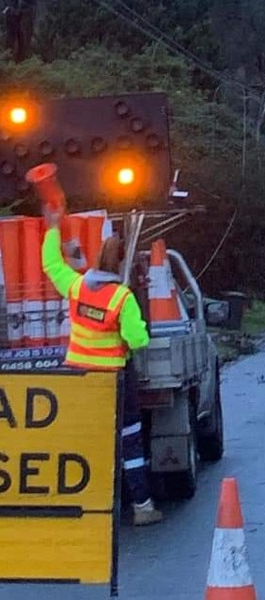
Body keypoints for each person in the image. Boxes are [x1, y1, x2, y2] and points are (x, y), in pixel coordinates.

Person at [41, 209, 163, 527]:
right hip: (115, 383)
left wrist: (53, 228)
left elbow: (51, 265)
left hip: (81, 380)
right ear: (122, 264)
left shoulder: (78, 287)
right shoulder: (122, 299)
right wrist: (133, 332)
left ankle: (87, 507)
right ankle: (142, 507)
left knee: (87, 441)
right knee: (129, 443)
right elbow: (138, 340)